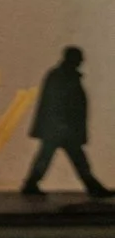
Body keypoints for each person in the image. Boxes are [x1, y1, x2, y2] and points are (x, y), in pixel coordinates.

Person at [21, 46, 111, 197]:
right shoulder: (61, 76)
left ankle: (32, 183)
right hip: (62, 128)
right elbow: (58, 103)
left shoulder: (60, 75)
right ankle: (92, 186)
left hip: (59, 128)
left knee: (52, 157)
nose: (82, 61)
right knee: (75, 159)